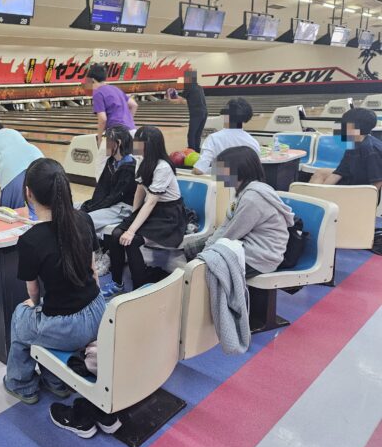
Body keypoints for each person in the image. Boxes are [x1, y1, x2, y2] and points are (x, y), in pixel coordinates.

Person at [3, 158, 106, 404]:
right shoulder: (84, 219)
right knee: (44, 317)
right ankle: (56, 380)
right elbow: (94, 271)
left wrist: (34, 305)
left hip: (68, 329)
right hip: (99, 312)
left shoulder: (30, 240)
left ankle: (22, 384)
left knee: (21, 315)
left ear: (28, 193)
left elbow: (33, 292)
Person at [104, 126, 187, 298]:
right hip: (152, 211)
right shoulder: (142, 161)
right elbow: (139, 191)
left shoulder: (163, 167)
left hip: (168, 215)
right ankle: (117, 282)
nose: (134, 145)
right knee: (116, 234)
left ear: (149, 145)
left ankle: (140, 287)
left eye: (138, 142)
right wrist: (132, 217)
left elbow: (150, 202)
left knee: (131, 240)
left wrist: (132, 230)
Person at [199, 146, 295, 277]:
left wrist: (204, 253)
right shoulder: (243, 190)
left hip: (260, 257)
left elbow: (232, 233)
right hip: (246, 245)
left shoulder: (252, 198)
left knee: (203, 269)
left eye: (221, 170)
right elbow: (227, 225)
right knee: (192, 248)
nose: (217, 174)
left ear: (238, 170)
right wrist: (207, 245)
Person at [79, 126, 137, 236]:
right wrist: (90, 205)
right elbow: (102, 189)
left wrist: (92, 208)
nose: (105, 145)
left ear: (118, 143)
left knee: (82, 221)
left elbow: (115, 196)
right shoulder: (111, 161)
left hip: (122, 208)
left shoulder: (129, 167)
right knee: (72, 207)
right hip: (109, 203)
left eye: (108, 141)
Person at [309, 108, 382, 192]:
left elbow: (377, 182)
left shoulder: (371, 150)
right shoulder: (353, 143)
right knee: (321, 172)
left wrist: (366, 199)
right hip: (354, 177)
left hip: (361, 188)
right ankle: (315, 196)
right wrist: (323, 190)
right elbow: (339, 172)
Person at [86, 64, 138, 178]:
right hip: (133, 132)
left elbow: (103, 119)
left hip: (115, 135)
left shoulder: (98, 93)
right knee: (138, 162)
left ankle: (101, 188)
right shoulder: (115, 89)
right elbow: (134, 105)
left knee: (101, 163)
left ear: (92, 80)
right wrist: (128, 121)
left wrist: (100, 138)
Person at [193, 97, 260, 175]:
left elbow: (199, 170)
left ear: (226, 115)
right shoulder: (253, 142)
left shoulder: (213, 139)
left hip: (221, 182)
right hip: (246, 181)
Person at [173, 70, 208, 153]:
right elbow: (186, 101)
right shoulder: (199, 87)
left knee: (191, 133)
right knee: (198, 133)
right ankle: (197, 150)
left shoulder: (189, 87)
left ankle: (191, 151)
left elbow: (179, 100)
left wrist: (171, 96)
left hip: (196, 114)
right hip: (204, 113)